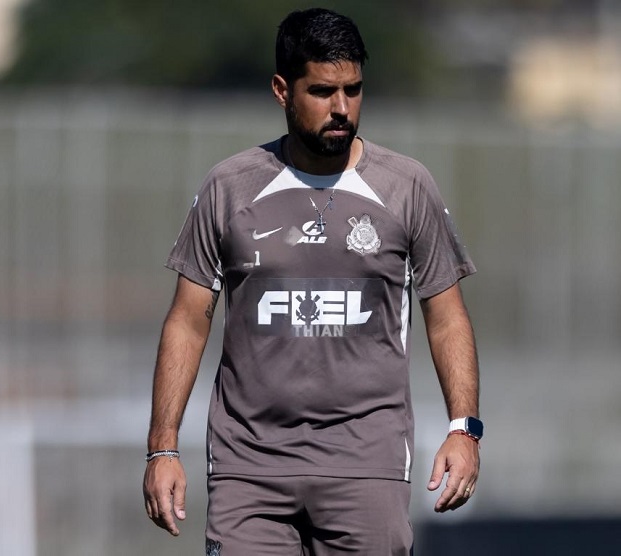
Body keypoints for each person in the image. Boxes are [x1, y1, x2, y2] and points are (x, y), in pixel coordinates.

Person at [143, 7, 481, 555]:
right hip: (248, 466)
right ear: (282, 90)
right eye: (323, 91)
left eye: (353, 89)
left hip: (367, 462)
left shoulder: (407, 187)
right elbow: (186, 322)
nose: (342, 108)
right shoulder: (230, 188)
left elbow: (447, 318)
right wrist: (163, 448)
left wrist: (464, 428)